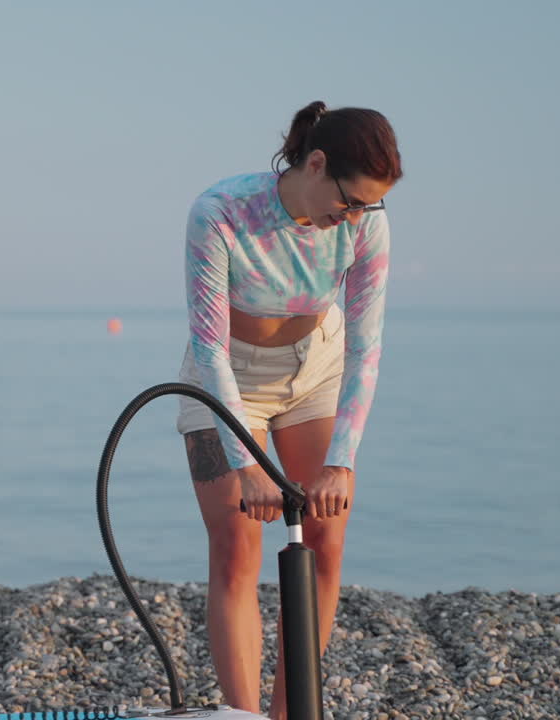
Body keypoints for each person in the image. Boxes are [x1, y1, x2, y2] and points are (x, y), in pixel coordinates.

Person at [176, 101, 401, 720]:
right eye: (350, 200)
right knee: (238, 547)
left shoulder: (365, 225)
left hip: (316, 369)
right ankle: (243, 717)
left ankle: (291, 716)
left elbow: (365, 349)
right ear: (317, 163)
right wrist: (240, 460)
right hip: (228, 375)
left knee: (326, 541)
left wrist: (344, 462)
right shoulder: (220, 213)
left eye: (368, 206)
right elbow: (209, 346)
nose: (353, 215)